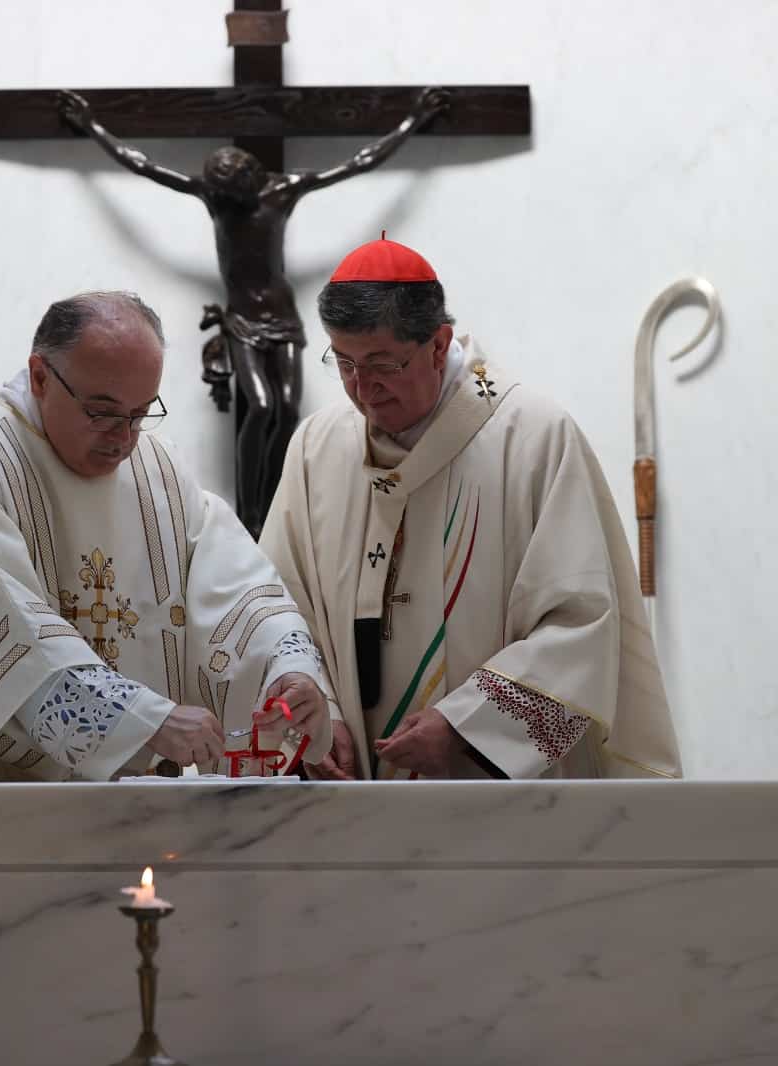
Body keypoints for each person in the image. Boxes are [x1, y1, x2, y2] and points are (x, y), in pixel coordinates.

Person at [261, 237, 681, 781]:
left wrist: (469, 726)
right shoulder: (317, 448)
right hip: (353, 794)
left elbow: (582, 624)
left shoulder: (531, 437)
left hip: (496, 799)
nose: (363, 390)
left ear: (439, 344)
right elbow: (277, 609)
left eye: (382, 363)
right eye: (343, 364)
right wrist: (321, 717)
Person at [0, 291, 331, 783]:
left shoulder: (157, 470)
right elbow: (5, 640)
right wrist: (141, 720)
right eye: (102, 411)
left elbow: (237, 593)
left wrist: (285, 671)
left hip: (132, 807)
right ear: (40, 376)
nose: (124, 437)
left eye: (140, 413)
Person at [56, 88, 449, 537]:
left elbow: (359, 163)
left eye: (234, 186)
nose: (230, 196)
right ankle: (248, 510)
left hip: (282, 319)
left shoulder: (282, 192)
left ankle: (276, 501)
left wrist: (412, 121)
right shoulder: (216, 198)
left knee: (284, 408)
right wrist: (91, 127)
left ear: (248, 177)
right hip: (242, 321)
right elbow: (143, 165)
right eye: (223, 190)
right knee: (260, 407)